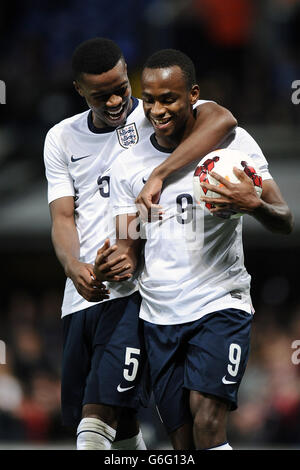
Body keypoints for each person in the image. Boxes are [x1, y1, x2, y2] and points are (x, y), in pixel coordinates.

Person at [94, 48, 293, 450]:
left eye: (168, 98)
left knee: (208, 419)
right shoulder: (127, 164)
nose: (157, 109)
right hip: (160, 316)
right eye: (148, 99)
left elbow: (284, 218)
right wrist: (110, 264)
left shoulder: (232, 143)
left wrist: (254, 205)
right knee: (183, 445)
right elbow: (128, 249)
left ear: (193, 95)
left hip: (220, 303)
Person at [43, 37, 237, 451]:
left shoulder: (156, 113)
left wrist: (159, 174)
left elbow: (221, 118)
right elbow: (62, 217)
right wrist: (73, 266)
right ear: (79, 91)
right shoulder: (60, 138)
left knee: (98, 419)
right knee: (123, 424)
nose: (116, 101)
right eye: (101, 95)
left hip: (134, 294)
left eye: (121, 88)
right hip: (81, 295)